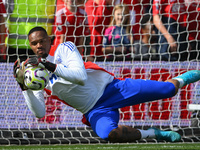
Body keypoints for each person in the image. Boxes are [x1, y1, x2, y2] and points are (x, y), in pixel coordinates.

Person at [13, 26, 200, 143]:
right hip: (94, 110)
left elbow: (80, 77)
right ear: (30, 46)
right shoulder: (35, 76)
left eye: (42, 41)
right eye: (34, 43)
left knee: (169, 89)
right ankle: (155, 134)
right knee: (110, 135)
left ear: (49, 40)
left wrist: (49, 65)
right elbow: (40, 113)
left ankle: (184, 77)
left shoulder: (64, 49)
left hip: (113, 89)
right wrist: (24, 87)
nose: (39, 46)